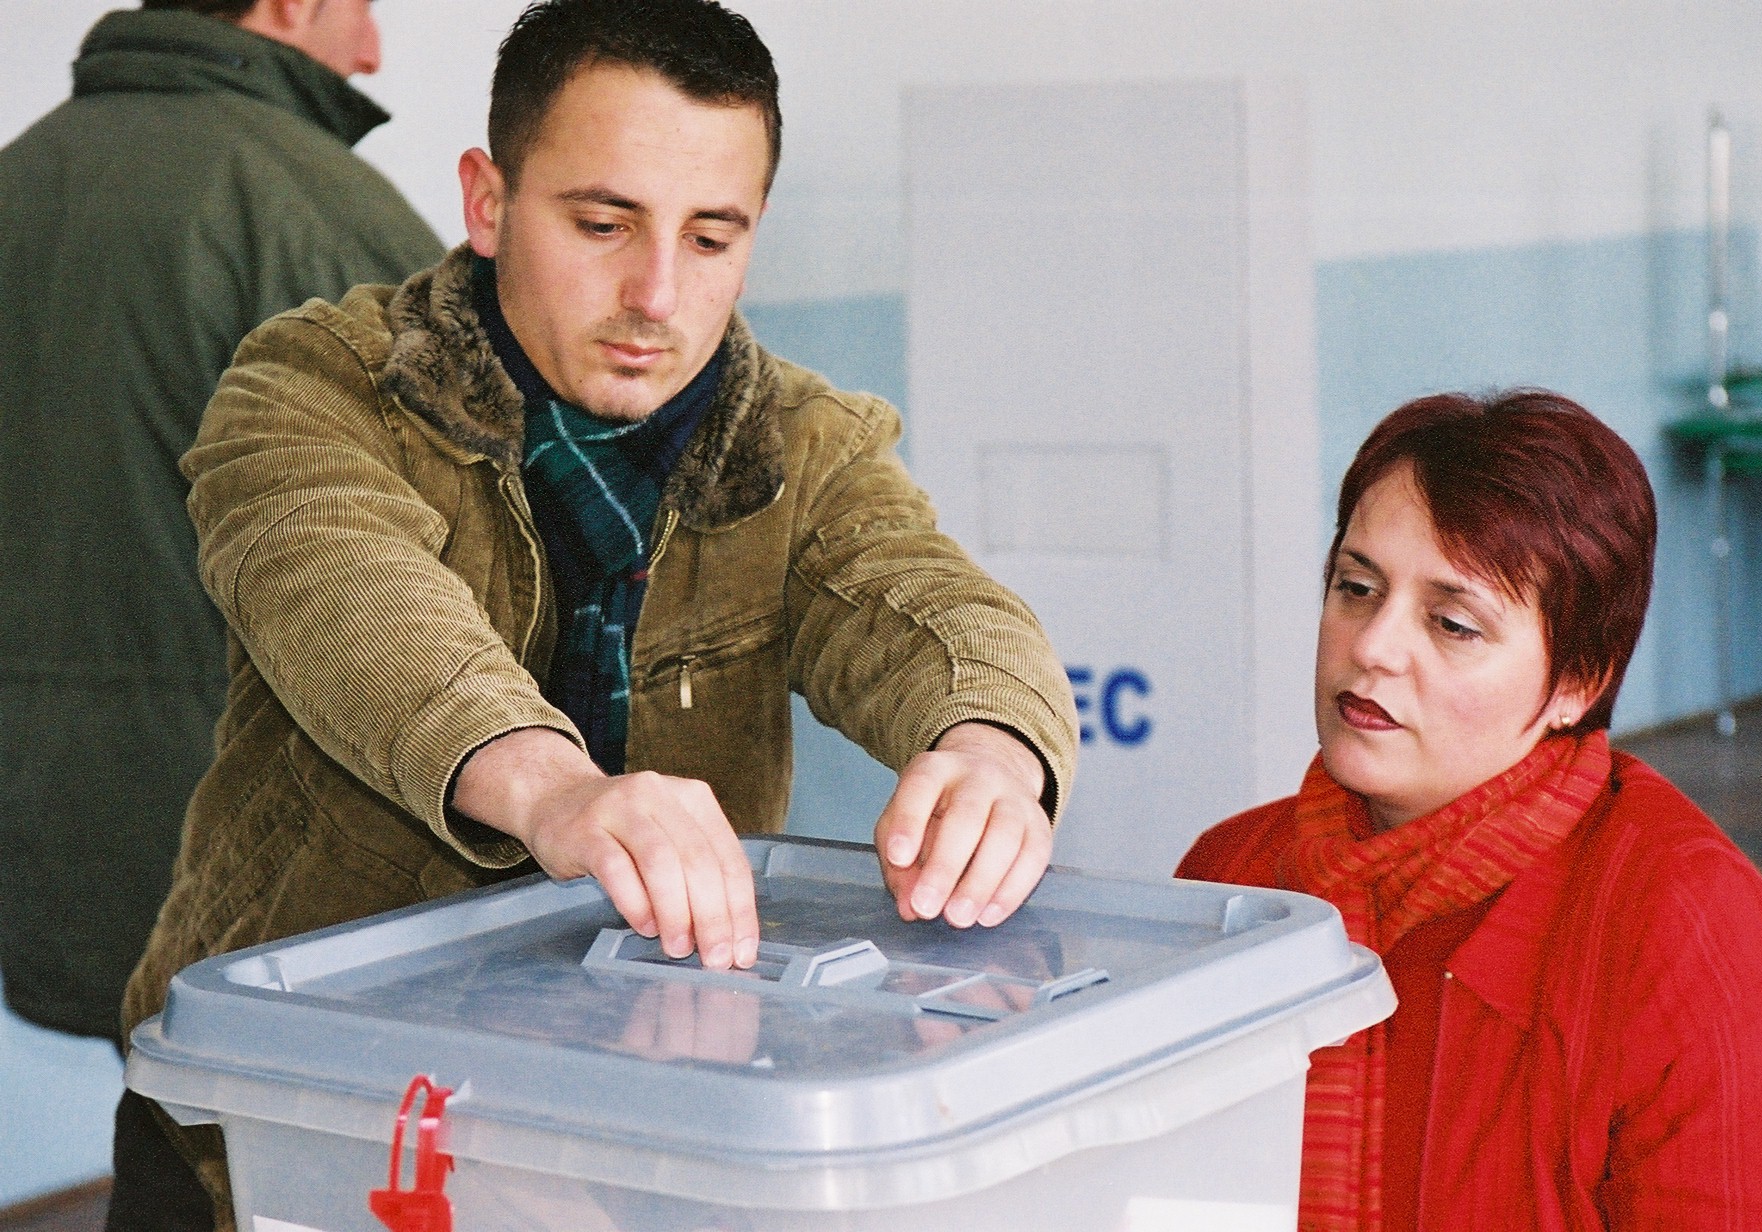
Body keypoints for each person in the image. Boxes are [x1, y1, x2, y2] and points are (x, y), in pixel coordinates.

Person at [112, 1, 1079, 1227]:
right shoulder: (312, 384)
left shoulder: (803, 443)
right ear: (487, 201)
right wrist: (554, 788)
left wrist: (992, 746)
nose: (656, 294)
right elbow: (345, 590)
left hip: (635, 1126)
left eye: (711, 236)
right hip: (289, 1108)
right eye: (602, 223)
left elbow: (930, 602)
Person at [1178, 390, 1762, 1230]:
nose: (1372, 646)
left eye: (1453, 624)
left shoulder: (1693, 940)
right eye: (1356, 587)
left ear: (1578, 683)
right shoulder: (1231, 876)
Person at [0, 0, 442, 1047]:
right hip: (260, 844)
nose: (372, 50)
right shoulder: (322, 215)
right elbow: (464, 557)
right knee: (265, 1120)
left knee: (161, 1104)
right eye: (361, 6)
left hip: (40, 821)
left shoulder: (17, 183)